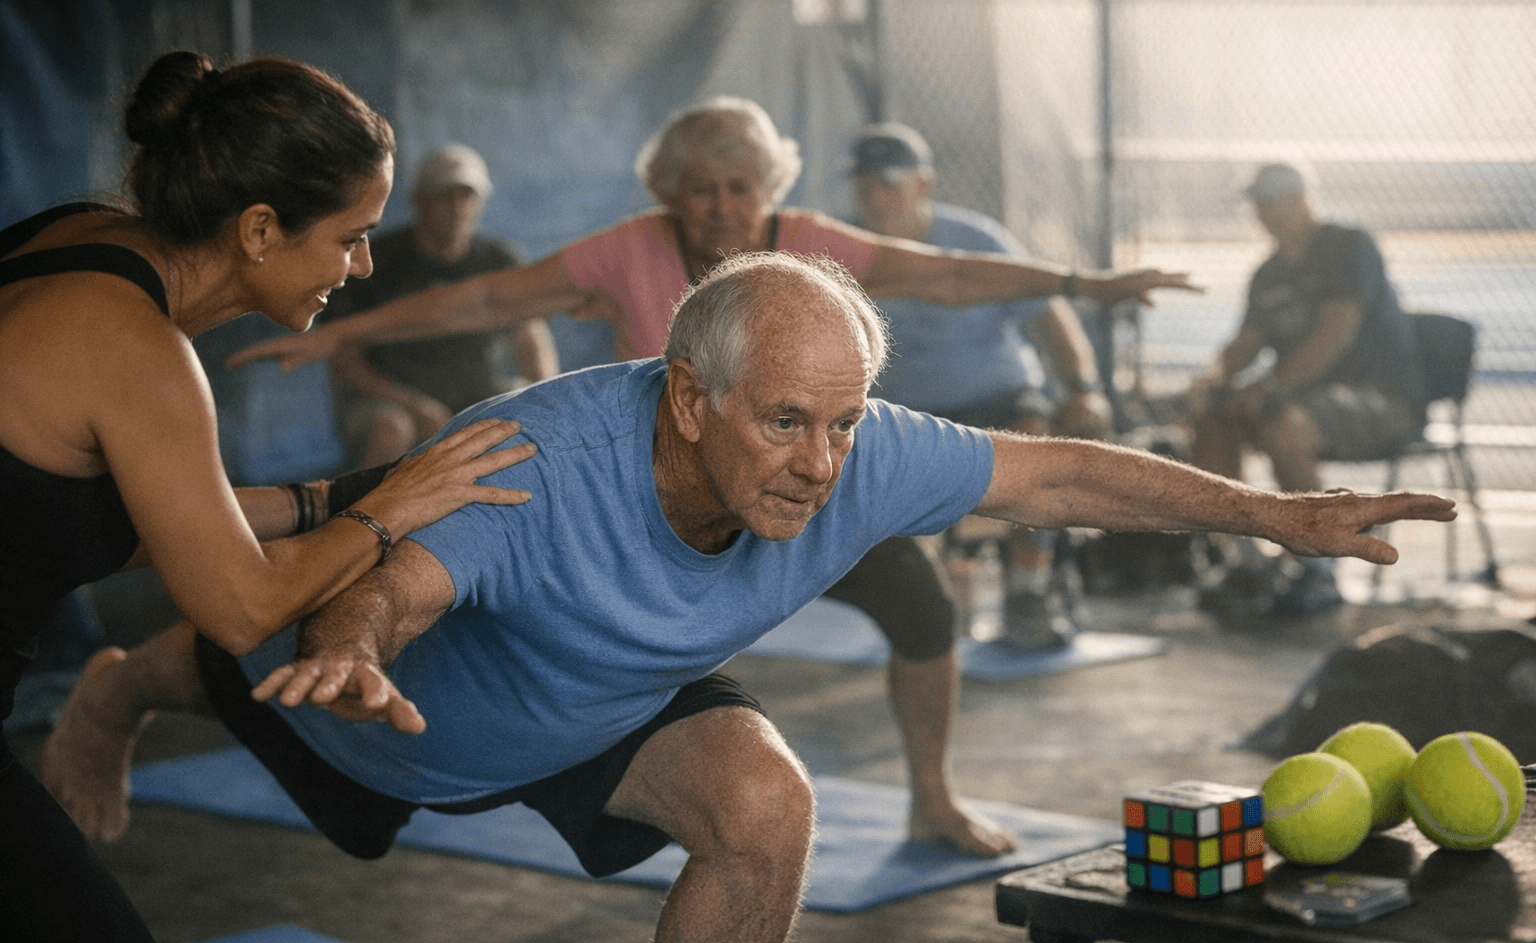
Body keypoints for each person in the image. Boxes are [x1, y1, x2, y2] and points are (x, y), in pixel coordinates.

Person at [66, 251, 1453, 943]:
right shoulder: (540, 458)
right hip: (389, 706)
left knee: (763, 802)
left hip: (609, 710)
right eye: (784, 422)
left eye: (843, 421)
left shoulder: (860, 449)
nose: (820, 461)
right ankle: (114, 695)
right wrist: (354, 639)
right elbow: (401, 588)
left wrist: (1277, 512)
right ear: (685, 401)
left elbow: (1060, 474)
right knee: (217, 672)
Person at [228, 95, 1199, 858]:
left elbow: (943, 273)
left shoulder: (805, 242)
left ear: (766, 189)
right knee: (462, 647)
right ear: (672, 194)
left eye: (741, 188)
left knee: (923, 605)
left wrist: (1084, 286)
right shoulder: (625, 251)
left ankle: (931, 797)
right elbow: (484, 298)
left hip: (791, 487)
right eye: (701, 191)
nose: (724, 209)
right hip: (641, 512)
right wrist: (341, 331)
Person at [1, 51, 532, 943]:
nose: (363, 265)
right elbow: (239, 607)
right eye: (351, 238)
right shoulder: (137, 346)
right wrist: (393, 508)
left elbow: (61, 526)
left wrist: (330, 499)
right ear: (257, 230)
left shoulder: (76, 243)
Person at [850, 121, 1112, 649]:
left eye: (890, 184)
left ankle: (1029, 591)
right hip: (899, 412)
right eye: (865, 185)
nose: (877, 198)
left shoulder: (977, 239)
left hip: (997, 397)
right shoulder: (847, 247)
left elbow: (1051, 315)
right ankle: (910, 597)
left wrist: (1083, 387)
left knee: (1037, 442)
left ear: (922, 185)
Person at [1187, 162, 1428, 611]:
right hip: (1298, 399)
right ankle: (1245, 562)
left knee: (1285, 423)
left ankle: (1318, 567)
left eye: (1275, 200)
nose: (1266, 212)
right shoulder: (1267, 274)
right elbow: (1245, 344)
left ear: (1301, 198)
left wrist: (1270, 386)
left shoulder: (1348, 246)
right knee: (1213, 419)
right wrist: (1213, 380)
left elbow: (1335, 332)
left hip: (1382, 399)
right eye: (1259, 203)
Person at [328, 143, 558, 467]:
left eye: (467, 196)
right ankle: (371, 515)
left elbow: (530, 338)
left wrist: (549, 401)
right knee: (392, 428)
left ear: (481, 202)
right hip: (391, 401)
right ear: (420, 200)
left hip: (477, 395)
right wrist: (414, 404)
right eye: (444, 195)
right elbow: (344, 360)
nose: (457, 207)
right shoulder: (375, 264)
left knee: (523, 410)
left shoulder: (499, 260)